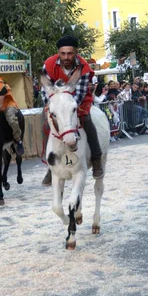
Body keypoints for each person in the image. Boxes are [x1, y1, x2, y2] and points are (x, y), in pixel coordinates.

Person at [42, 35, 104, 186]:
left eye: (70, 53)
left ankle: (96, 159)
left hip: (78, 102)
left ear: (76, 52)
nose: (66, 57)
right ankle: (50, 166)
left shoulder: (84, 68)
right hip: (56, 103)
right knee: (44, 124)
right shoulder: (48, 64)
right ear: (59, 52)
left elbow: (81, 93)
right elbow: (45, 89)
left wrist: (67, 107)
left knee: (87, 121)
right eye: (63, 53)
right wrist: (52, 104)